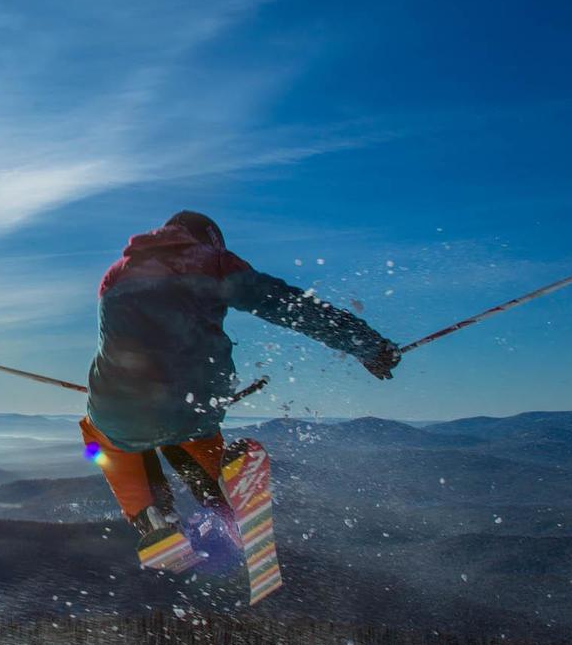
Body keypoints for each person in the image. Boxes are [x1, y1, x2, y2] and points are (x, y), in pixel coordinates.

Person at [82, 211, 400, 570]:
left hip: (117, 403)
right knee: (188, 430)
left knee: (107, 439)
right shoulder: (212, 263)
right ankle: (223, 495)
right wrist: (368, 346)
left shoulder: (115, 275)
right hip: (194, 403)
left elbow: (119, 343)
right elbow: (290, 305)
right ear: (211, 239)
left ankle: (154, 519)